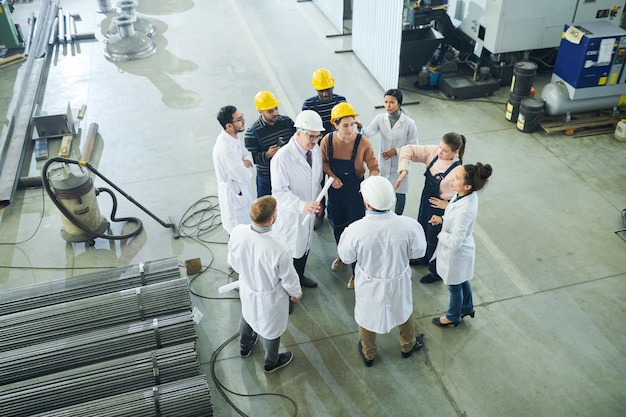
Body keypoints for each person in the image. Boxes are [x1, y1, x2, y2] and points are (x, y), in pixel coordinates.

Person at [337, 176, 427, 367]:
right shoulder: (409, 226)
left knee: (367, 316)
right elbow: (419, 252)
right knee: (403, 310)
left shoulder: (355, 230)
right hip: (399, 280)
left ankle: (368, 353)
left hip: (369, 284)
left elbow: (346, 257)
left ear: (367, 203)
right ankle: (407, 346)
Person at [228, 196, 303, 373]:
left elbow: (233, 260)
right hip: (270, 296)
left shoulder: (238, 232)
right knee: (272, 331)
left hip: (247, 288)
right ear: (272, 219)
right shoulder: (278, 247)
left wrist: (248, 273)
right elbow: (289, 278)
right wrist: (296, 293)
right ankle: (271, 362)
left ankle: (244, 347)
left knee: (247, 316)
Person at [320, 102, 379, 289]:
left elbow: (374, 168)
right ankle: (342, 255)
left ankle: (356, 271)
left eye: (352, 124)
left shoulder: (363, 143)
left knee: (356, 230)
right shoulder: (326, 142)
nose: (349, 128)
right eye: (345, 125)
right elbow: (323, 163)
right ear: (335, 125)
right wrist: (332, 176)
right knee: (337, 225)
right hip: (336, 191)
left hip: (356, 191)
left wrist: (368, 185)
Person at [395, 132, 467, 284]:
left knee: (436, 241)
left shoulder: (458, 172)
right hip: (426, 203)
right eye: (440, 147)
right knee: (422, 230)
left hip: (441, 211)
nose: (439, 152)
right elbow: (407, 149)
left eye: (445, 151)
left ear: (455, 152)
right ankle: (423, 258)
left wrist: (446, 205)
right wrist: (404, 169)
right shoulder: (434, 153)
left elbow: (464, 201)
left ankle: (436, 272)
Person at [429, 163, 492, 327]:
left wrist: (441, 234)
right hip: (461, 251)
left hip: (457, 253)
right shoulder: (464, 195)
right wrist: (442, 219)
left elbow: (455, 242)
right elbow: (454, 217)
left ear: (468, 185)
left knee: (454, 285)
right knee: (462, 279)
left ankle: (453, 315)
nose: (452, 180)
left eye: (457, 178)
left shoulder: (466, 209)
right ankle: (467, 307)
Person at [270, 110, 325, 297]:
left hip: (308, 213)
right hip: (291, 216)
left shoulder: (315, 150)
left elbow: (316, 181)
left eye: (318, 136)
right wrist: (302, 205)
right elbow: (279, 193)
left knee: (304, 248)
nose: (315, 141)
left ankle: (299, 278)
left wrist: (316, 203)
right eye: (311, 136)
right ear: (298, 132)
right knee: (289, 255)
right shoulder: (282, 158)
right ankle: (286, 293)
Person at [302, 68, 347, 229]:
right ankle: (319, 213)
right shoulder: (309, 105)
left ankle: (334, 213)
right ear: (316, 90)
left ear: (332, 87)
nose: (326, 94)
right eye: (322, 91)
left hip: (337, 151)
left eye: (328, 90)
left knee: (336, 182)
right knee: (317, 183)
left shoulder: (341, 102)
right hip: (317, 152)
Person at [361, 88, 418, 215]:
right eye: (386, 102)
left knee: (400, 194)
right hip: (384, 164)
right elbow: (368, 133)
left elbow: (414, 146)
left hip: (401, 165)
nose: (388, 105)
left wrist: (396, 151)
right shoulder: (380, 119)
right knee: (381, 191)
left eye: (392, 102)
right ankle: (381, 214)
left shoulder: (409, 123)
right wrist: (360, 127)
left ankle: (398, 217)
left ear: (399, 104)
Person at [245, 91, 296, 197]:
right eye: (270, 111)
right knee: (266, 209)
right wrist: (267, 154)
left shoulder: (287, 122)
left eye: (276, 108)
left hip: (289, 172)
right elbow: (250, 159)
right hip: (267, 177)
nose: (275, 113)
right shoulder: (252, 133)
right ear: (260, 111)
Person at [213, 105, 254, 234]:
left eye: (242, 116)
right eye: (239, 119)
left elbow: (248, 155)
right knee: (239, 236)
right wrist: (245, 164)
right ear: (229, 126)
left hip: (241, 192)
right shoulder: (225, 148)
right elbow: (243, 175)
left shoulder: (233, 138)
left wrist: (244, 162)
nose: (243, 121)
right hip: (235, 199)